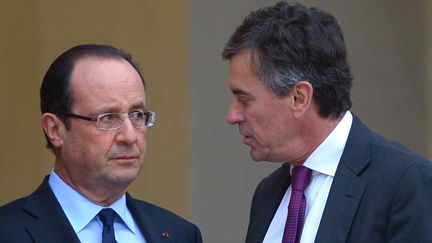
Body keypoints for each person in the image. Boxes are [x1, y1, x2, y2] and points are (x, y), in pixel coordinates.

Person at [222, 2, 432, 243]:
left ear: (299, 97)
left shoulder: (406, 185)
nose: (232, 115)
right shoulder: (268, 194)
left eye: (244, 99)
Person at [0, 44, 203, 243]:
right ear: (55, 129)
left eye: (137, 115)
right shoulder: (8, 231)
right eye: (107, 118)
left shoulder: (180, 234)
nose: (130, 136)